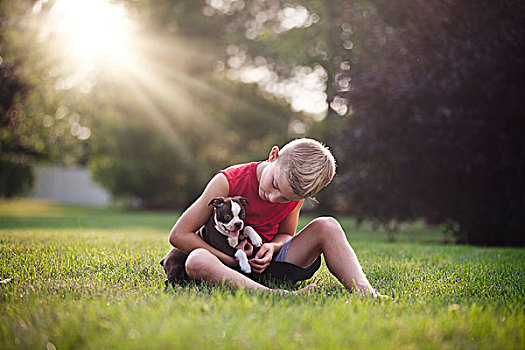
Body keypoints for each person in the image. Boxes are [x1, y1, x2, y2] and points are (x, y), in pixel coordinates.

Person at [169, 138, 384, 296]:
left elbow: (285, 234)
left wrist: (271, 248)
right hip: (223, 264)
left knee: (328, 225)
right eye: (274, 184)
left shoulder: (294, 195)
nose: (273, 198)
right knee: (197, 259)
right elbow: (179, 235)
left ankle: (365, 292)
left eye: (284, 198)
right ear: (274, 156)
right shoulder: (228, 181)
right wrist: (231, 260)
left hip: (269, 266)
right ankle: (273, 294)